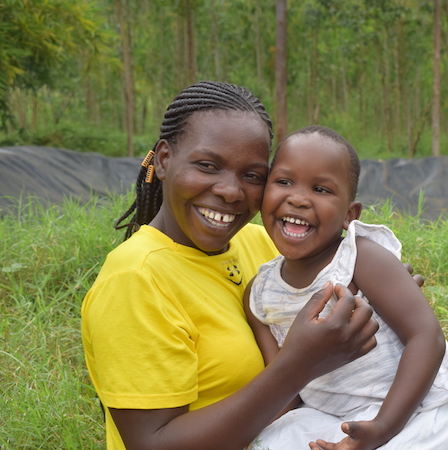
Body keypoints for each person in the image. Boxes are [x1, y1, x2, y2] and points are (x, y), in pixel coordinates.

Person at [81, 81, 385, 450]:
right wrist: (298, 366)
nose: (230, 191)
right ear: (163, 160)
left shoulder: (259, 244)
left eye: (253, 175)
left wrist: (379, 289)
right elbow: (151, 443)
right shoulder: (136, 279)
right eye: (208, 166)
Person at [245, 125, 448, 450]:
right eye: (283, 182)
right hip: (330, 416)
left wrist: (382, 427)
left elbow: (425, 336)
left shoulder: (361, 257)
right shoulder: (259, 293)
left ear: (350, 215)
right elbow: (284, 383)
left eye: (321, 189)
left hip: (409, 406)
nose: (298, 198)